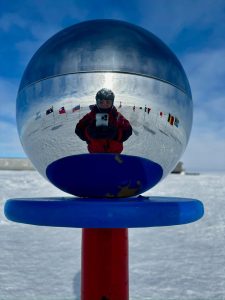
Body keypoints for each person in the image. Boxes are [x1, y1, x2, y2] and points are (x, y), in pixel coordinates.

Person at [75, 88, 132, 153]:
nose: (104, 105)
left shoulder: (117, 116)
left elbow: (128, 130)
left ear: (112, 103)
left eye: (108, 102)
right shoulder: (90, 116)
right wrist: (88, 133)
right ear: (97, 102)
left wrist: (116, 134)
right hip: (95, 154)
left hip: (114, 155)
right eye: (101, 102)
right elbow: (78, 129)